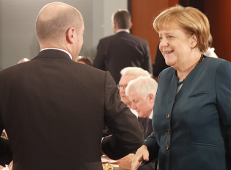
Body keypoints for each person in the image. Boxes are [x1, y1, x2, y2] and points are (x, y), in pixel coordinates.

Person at [0, 2, 143, 170]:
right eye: (81, 35)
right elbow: (132, 136)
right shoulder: (99, 80)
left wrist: (15, 152)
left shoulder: (6, 79)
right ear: (71, 34)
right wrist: (100, 147)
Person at [132, 5, 231, 170]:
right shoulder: (165, 77)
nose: (162, 44)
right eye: (161, 37)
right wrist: (147, 146)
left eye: (170, 36)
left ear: (193, 40)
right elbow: (166, 128)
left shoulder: (220, 71)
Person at [93, 9, 152, 83]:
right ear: (130, 25)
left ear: (114, 25)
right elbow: (148, 72)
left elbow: (96, 68)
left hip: (111, 89)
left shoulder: (105, 43)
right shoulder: (143, 43)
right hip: (134, 89)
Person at [117, 76, 157, 170]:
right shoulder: (143, 118)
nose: (133, 107)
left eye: (135, 101)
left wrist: (134, 163)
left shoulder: (164, 120)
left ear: (151, 97)